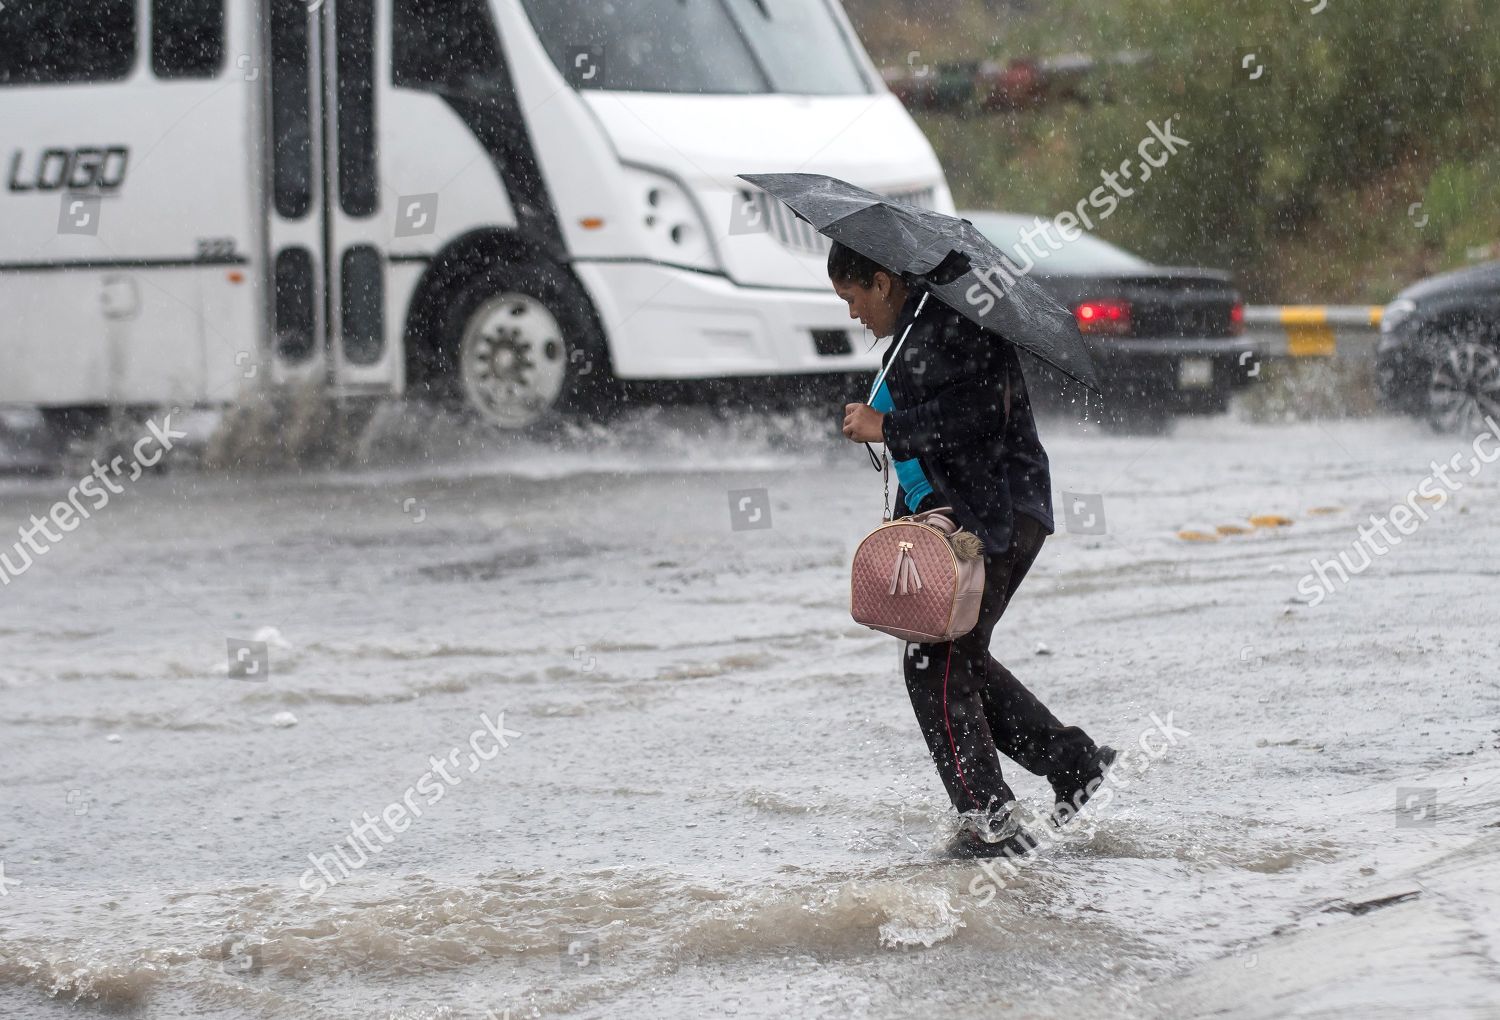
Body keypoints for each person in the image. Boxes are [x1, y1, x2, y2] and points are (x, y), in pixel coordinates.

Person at [829, 240, 1115, 859]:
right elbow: (937, 429)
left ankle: (989, 823)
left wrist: (890, 427)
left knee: (935, 665)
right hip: (973, 514)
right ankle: (1071, 763)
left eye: (852, 298)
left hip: (1000, 513)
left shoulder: (952, 321)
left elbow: (980, 412)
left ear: (882, 281)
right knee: (958, 658)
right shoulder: (914, 332)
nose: (853, 314)